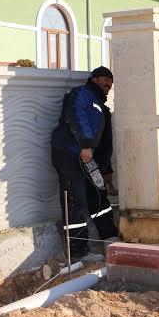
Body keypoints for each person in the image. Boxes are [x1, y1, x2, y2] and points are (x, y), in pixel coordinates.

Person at [51, 66, 117, 260]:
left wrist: (106, 172)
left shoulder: (102, 108)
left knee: (99, 194)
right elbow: (76, 116)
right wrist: (85, 145)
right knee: (75, 200)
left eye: (110, 85)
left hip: (88, 158)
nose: (107, 87)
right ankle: (78, 252)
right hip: (70, 154)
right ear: (94, 79)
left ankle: (110, 238)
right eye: (104, 82)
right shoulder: (82, 94)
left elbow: (106, 143)